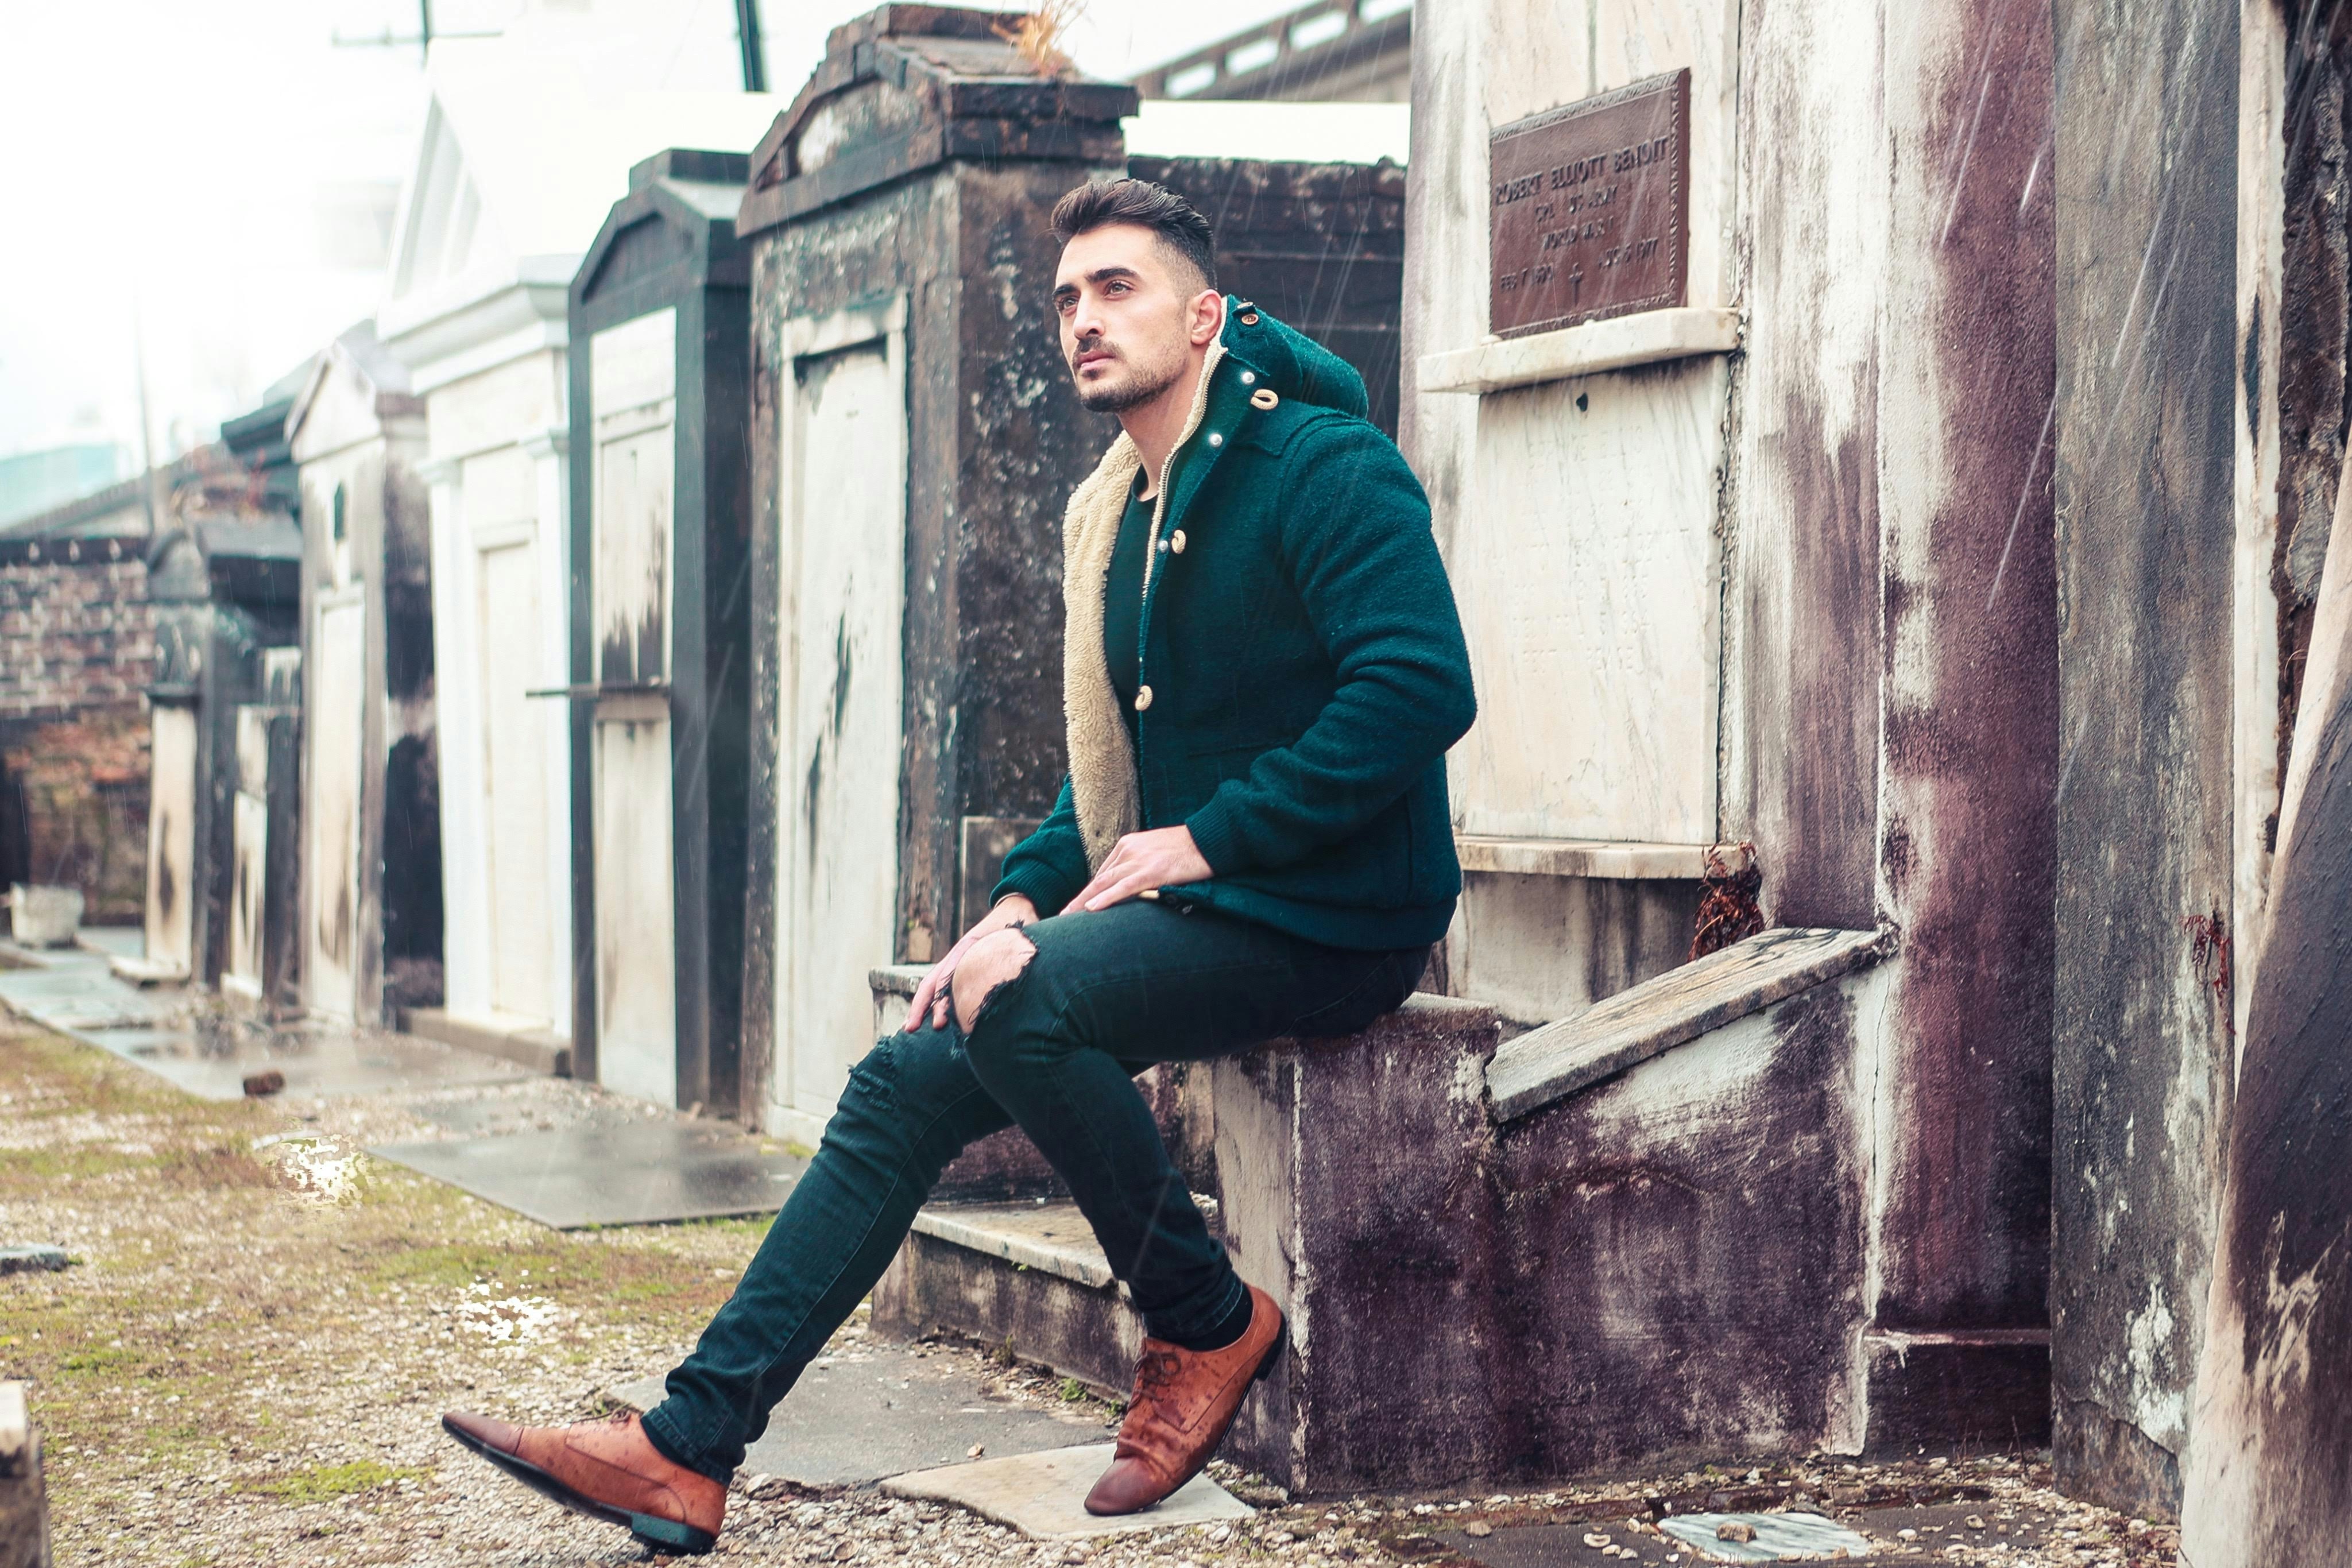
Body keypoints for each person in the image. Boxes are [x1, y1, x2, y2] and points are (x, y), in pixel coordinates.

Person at [440, 177, 1476, 1555]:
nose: (1083, 319)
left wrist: (1209, 839)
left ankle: (1203, 1321)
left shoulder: (1324, 467)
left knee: (1020, 1000)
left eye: (1117, 287)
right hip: (1211, 896)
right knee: (910, 1063)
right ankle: (688, 1449)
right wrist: (1017, 900)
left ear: (1203, 312)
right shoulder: (1128, 509)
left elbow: (1417, 688)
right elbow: (1110, 768)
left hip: (1336, 913)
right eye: (1065, 297)